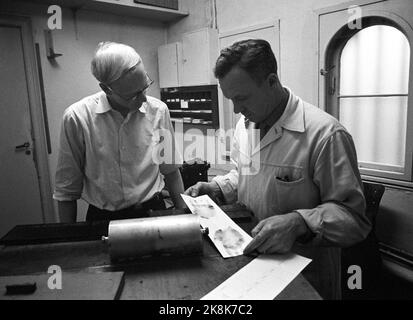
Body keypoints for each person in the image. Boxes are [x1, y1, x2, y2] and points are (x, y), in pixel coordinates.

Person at [184, 39, 371, 299]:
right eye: (231, 100)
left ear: (272, 81)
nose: (237, 110)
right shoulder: (245, 124)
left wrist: (299, 222)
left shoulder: (325, 135)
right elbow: (246, 174)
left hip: (305, 276)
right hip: (251, 265)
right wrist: (218, 187)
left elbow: (354, 219)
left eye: (241, 98)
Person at [54, 41, 185, 223]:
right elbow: (66, 190)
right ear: (106, 89)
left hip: (152, 212)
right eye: (133, 95)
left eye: (145, 87)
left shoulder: (158, 111)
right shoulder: (77, 118)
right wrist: (67, 242)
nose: (144, 98)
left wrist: (185, 217)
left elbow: (171, 171)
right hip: (103, 219)